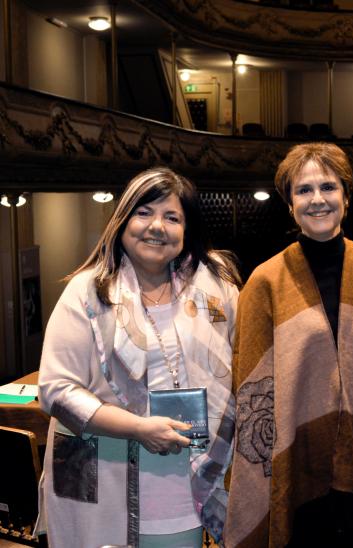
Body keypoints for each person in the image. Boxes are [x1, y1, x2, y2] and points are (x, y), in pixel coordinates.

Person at [224, 142, 353, 548]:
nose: (318, 200)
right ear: (289, 203)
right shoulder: (266, 281)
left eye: (328, 187)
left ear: (346, 197)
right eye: (304, 190)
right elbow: (250, 384)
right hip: (301, 463)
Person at [38, 167, 241, 547]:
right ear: (123, 219)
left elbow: (247, 366)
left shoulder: (217, 290)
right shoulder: (88, 292)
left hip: (187, 491)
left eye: (172, 217)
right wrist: (139, 428)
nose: (156, 226)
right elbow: (55, 391)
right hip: (105, 485)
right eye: (144, 212)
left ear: (186, 229)